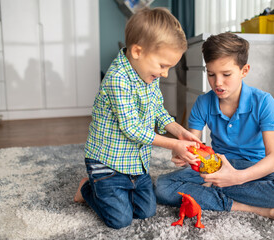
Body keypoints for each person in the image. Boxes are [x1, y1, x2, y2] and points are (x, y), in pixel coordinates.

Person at [155, 32, 274, 223]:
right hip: (216, 167)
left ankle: (215, 193)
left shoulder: (263, 101)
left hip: (253, 169)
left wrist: (237, 177)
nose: (217, 82)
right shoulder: (203, 102)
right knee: (161, 186)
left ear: (244, 71)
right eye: (211, 74)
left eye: (226, 74)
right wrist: (185, 156)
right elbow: (192, 147)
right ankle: (248, 207)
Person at [74, 7, 201, 229]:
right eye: (163, 66)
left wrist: (179, 131)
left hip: (135, 164)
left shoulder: (149, 74)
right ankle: (87, 189)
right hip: (108, 164)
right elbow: (131, 128)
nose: (165, 73)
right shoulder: (117, 79)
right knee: (119, 220)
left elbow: (158, 111)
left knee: (146, 212)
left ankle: (113, 193)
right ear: (137, 52)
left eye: (169, 67)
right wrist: (173, 144)